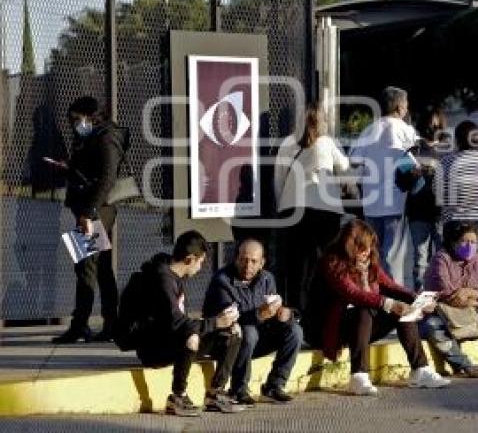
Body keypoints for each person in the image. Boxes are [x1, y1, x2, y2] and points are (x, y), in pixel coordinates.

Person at [302, 219, 450, 395]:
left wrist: (417, 299)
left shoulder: (369, 262)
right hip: (327, 329)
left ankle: (420, 369)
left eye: (370, 246)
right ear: (350, 245)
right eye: (362, 247)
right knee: (364, 308)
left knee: (402, 309)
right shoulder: (332, 262)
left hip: (357, 328)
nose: (367, 252)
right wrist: (389, 304)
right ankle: (359, 376)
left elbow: (391, 286)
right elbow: (353, 294)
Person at [124, 231, 244, 416]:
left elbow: (181, 322)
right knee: (192, 336)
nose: (201, 267)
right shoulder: (161, 279)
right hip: (154, 348)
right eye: (201, 262)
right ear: (190, 259)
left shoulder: (174, 276)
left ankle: (215, 393)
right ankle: (177, 397)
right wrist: (215, 322)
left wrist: (221, 323)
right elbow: (178, 323)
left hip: (172, 338)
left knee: (233, 331)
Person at [53, 96, 125, 343]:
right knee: (100, 268)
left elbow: (107, 179)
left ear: (91, 116)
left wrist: (88, 213)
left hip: (95, 210)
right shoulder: (92, 136)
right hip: (90, 208)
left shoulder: (106, 137)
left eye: (76, 119)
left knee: (85, 267)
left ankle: (80, 324)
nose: (74, 124)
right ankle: (110, 323)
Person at [203, 239, 303, 406]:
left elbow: (272, 311)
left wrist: (285, 313)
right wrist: (260, 314)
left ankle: (274, 385)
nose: (247, 265)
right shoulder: (222, 280)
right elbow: (229, 319)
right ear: (236, 259)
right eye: (243, 259)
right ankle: (238, 390)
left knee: (295, 331)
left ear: (262, 263)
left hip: (258, 338)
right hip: (228, 343)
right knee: (248, 331)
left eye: (253, 261)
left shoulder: (266, 279)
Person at [274, 103, 353, 311]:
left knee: (297, 266)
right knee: (327, 264)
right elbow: (346, 173)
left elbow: (278, 181)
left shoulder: (287, 143)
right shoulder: (328, 142)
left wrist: (282, 204)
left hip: (293, 210)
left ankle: (297, 312)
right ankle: (325, 311)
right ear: (322, 120)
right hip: (326, 211)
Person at [421, 220, 478, 378]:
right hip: (441, 310)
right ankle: (466, 366)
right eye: (464, 241)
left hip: (471, 309)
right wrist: (471, 300)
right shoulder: (441, 259)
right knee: (432, 327)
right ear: (453, 242)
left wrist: (471, 292)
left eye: (473, 242)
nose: (469, 245)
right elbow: (446, 292)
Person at [349, 86, 418, 283]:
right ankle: (394, 300)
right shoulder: (405, 130)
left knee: (373, 255)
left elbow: (354, 162)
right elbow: (416, 163)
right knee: (392, 257)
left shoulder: (369, 130)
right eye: (405, 106)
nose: (406, 109)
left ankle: (376, 296)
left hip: (371, 204)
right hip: (395, 203)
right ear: (399, 107)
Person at [433, 120, 478, 260]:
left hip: (456, 221)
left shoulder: (446, 162)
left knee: (455, 268)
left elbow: (437, 191)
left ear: (457, 140)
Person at [403, 109, 448, 291]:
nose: (432, 129)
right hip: (418, 212)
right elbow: (401, 182)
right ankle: (421, 301)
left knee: (443, 258)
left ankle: (441, 298)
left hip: (440, 212)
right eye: (430, 125)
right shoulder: (412, 151)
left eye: (435, 125)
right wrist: (412, 174)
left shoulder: (448, 151)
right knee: (421, 260)